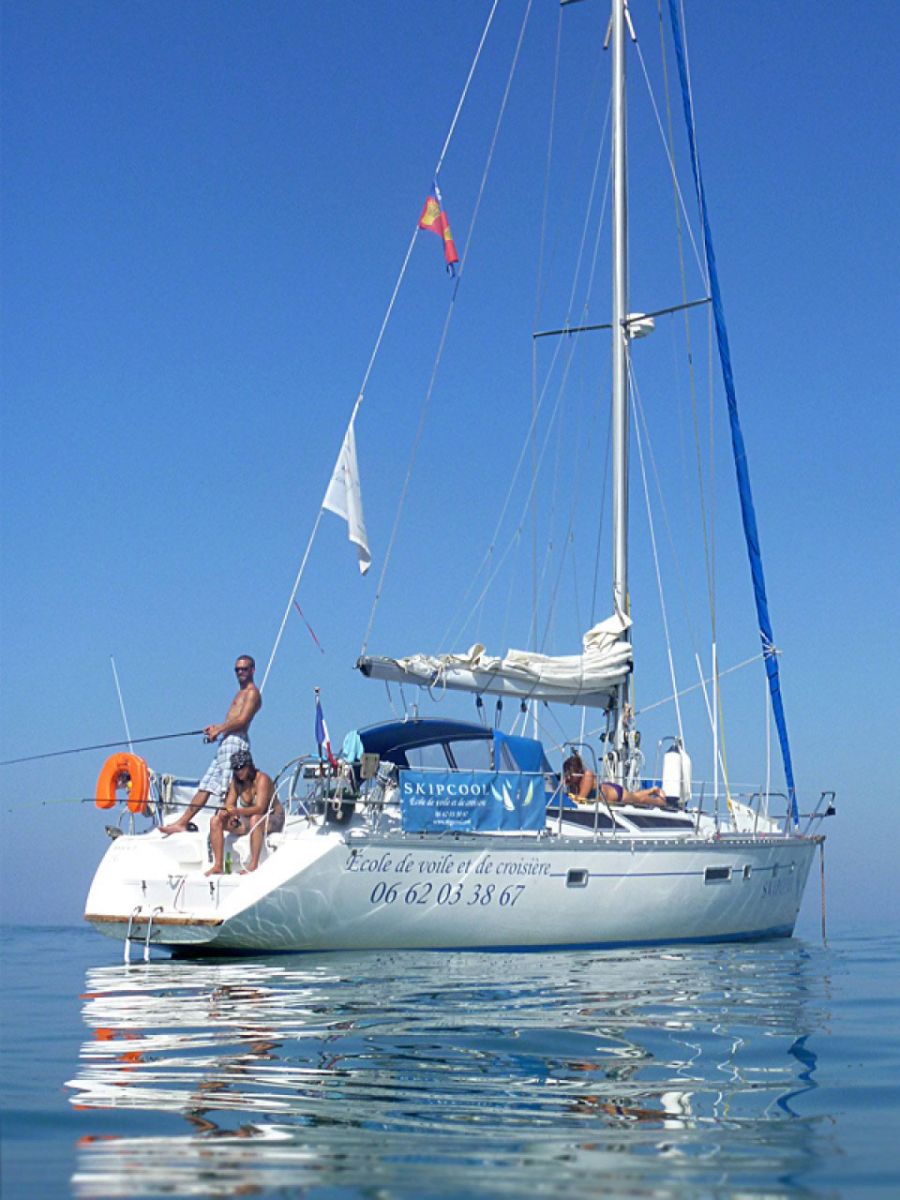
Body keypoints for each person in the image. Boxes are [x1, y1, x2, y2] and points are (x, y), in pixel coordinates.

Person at [160, 655, 262, 834]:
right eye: (237, 669)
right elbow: (233, 721)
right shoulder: (240, 693)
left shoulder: (252, 693)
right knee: (206, 785)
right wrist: (217, 731)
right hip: (226, 743)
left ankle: (227, 823)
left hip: (236, 742)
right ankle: (182, 822)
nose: (240, 672)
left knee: (228, 788)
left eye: (244, 669)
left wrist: (219, 729)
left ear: (252, 670)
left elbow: (242, 720)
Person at [206, 748, 284, 875]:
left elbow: (260, 808)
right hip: (248, 819)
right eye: (235, 769)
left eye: (241, 768)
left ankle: (253, 864)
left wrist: (237, 811)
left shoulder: (262, 779)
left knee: (255, 818)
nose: (239, 771)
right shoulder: (236, 782)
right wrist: (228, 813)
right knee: (216, 820)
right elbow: (229, 804)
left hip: (272, 817)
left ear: (249, 766)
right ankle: (218, 865)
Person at [562, 752, 667, 808]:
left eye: (570, 773)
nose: (569, 777)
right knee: (634, 795)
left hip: (617, 794)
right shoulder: (574, 783)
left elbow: (580, 798)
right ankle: (652, 790)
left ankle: (660, 801)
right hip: (607, 788)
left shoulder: (587, 776)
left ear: (578, 771)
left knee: (638, 800)